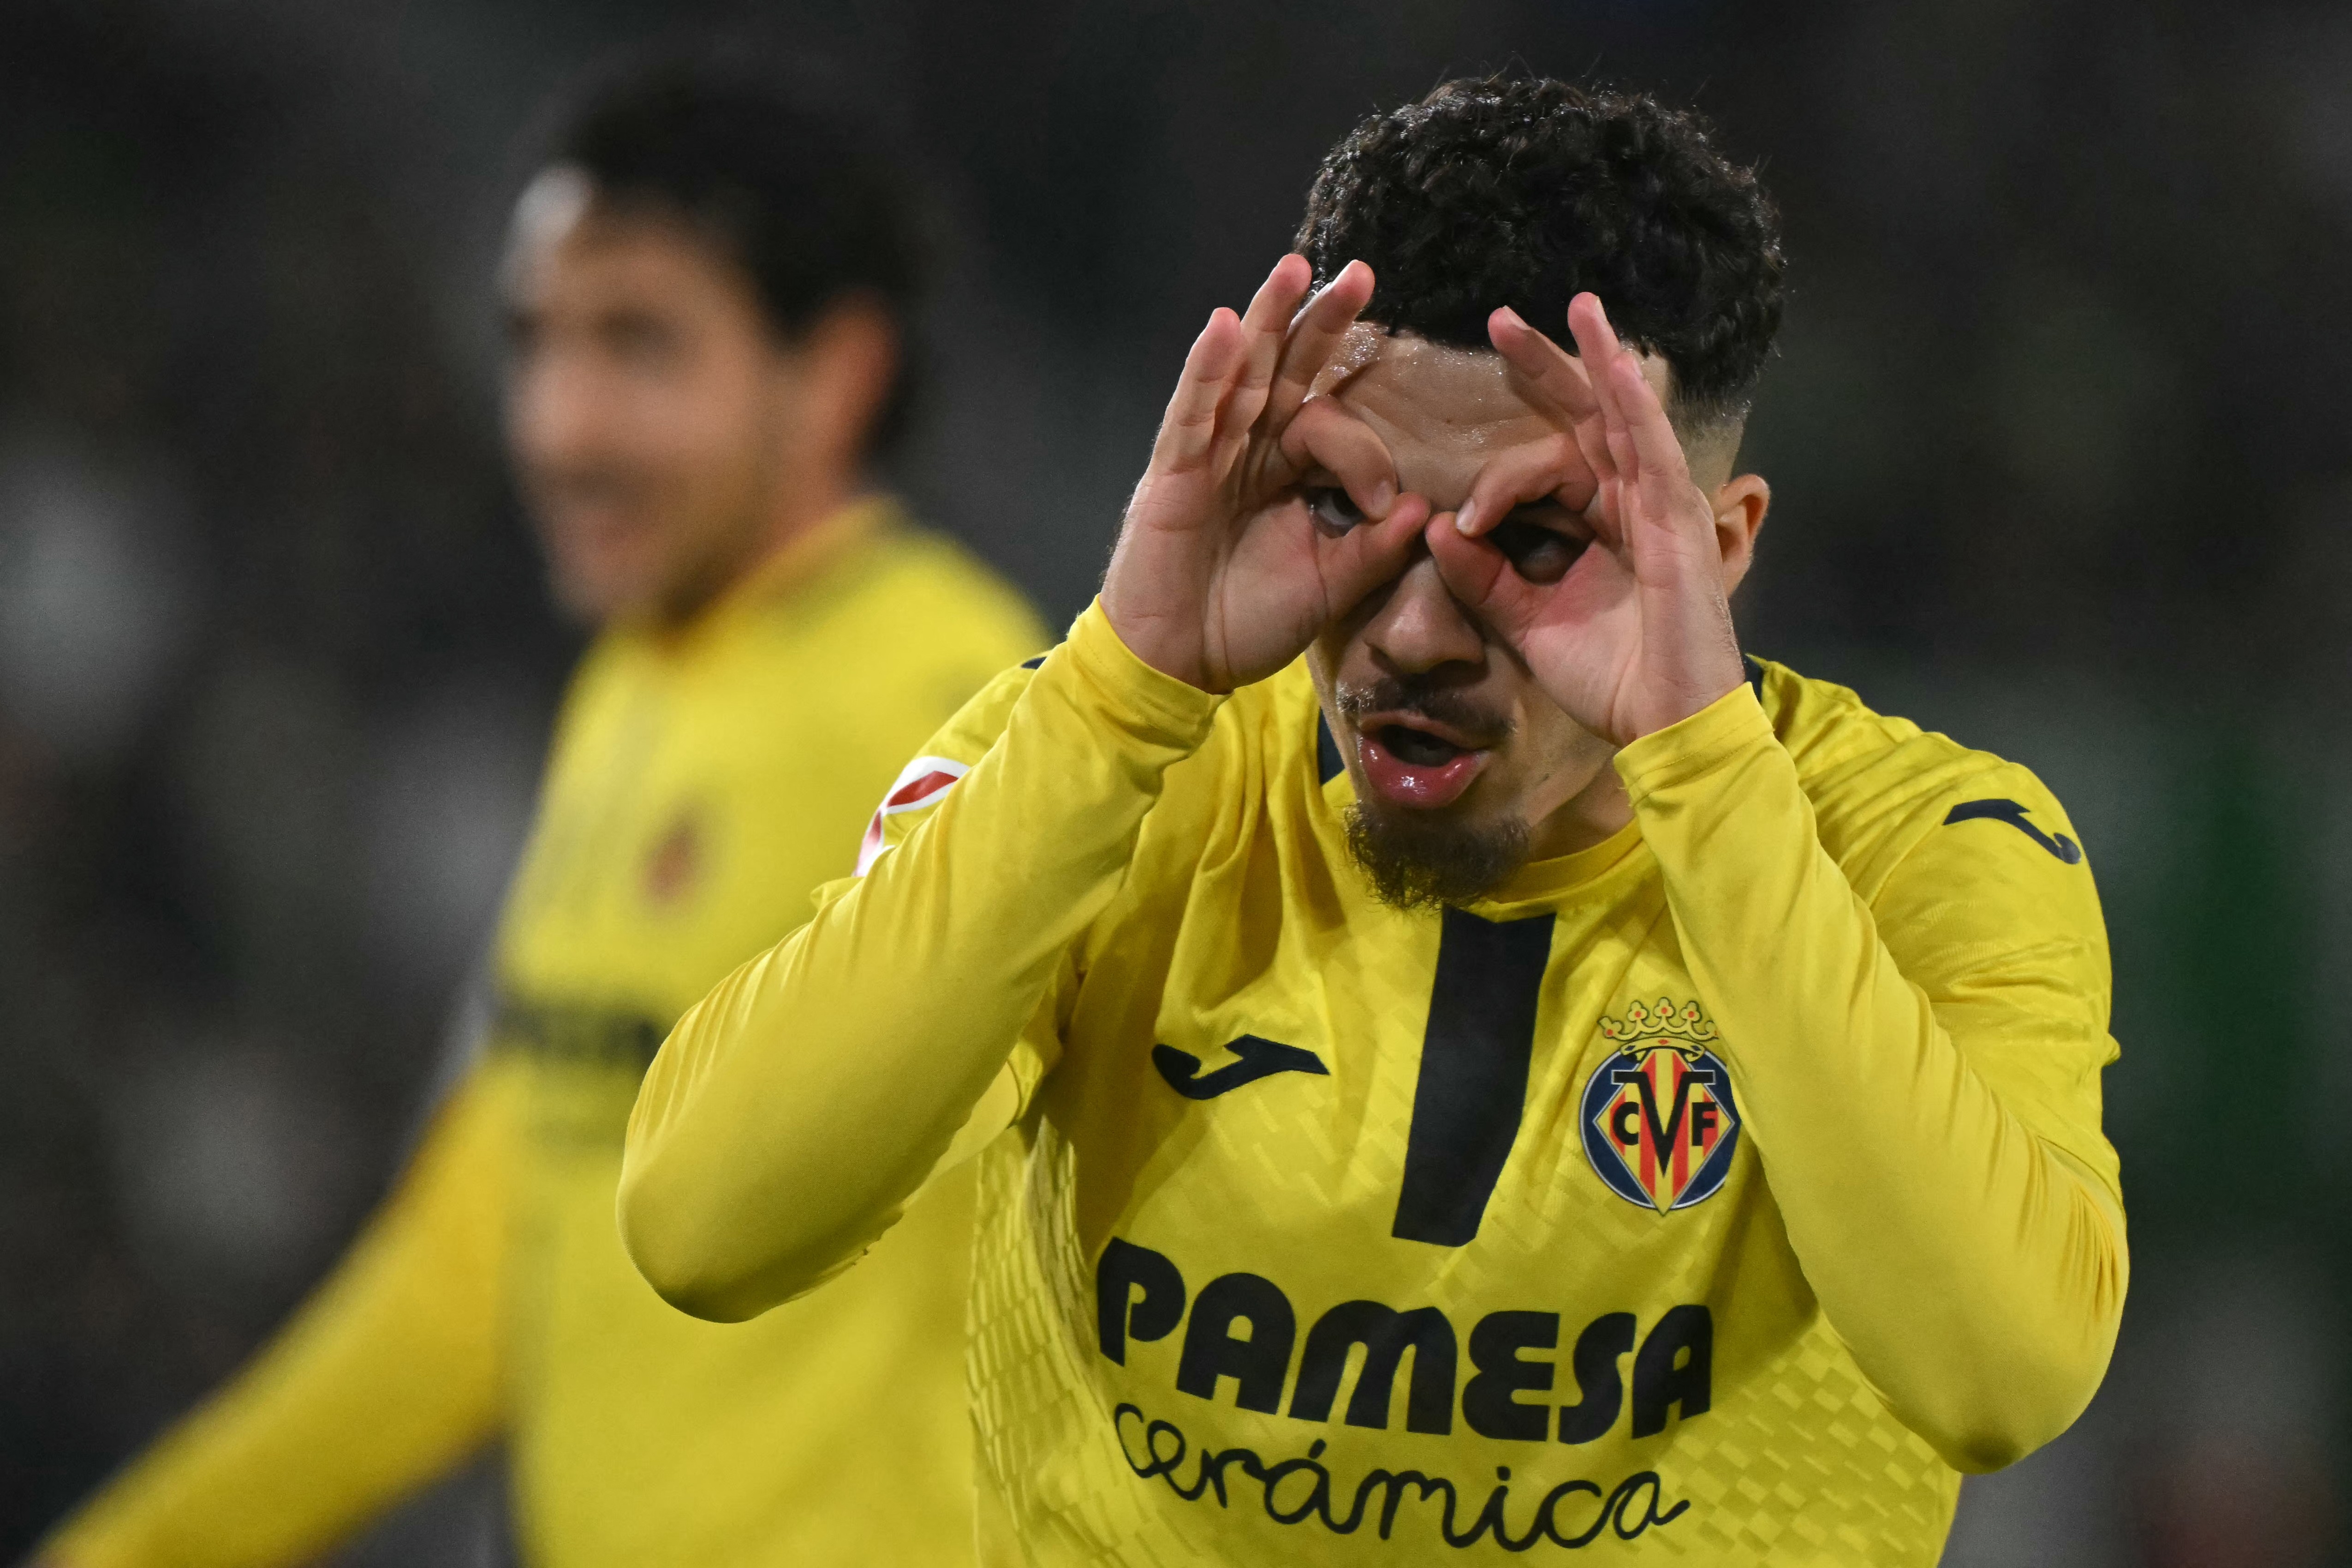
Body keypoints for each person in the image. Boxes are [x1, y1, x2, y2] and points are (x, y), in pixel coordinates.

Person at [618, 75, 2130, 1566]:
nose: (1411, 631)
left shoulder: (1925, 849)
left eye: (1534, 539)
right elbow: (708, 1227)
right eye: (1348, 509)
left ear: (1716, 550)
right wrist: (1120, 689)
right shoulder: (1114, 764)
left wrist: (1701, 764)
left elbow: (1993, 1379)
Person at [39, 49, 1044, 1568]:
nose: (559, 428)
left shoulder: (945, 700)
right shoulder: (637, 690)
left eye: (640, 349)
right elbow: (483, 1250)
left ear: (831, 371)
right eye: (535, 345)